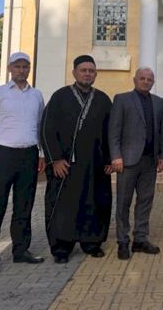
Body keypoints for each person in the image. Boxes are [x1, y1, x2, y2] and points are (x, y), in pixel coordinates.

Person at [40, 55, 113, 263]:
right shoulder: (60, 97)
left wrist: (109, 159)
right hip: (66, 165)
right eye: (83, 70)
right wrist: (55, 159)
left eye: (91, 71)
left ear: (95, 74)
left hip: (95, 164)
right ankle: (61, 247)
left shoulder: (103, 100)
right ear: (74, 73)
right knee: (64, 206)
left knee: (95, 202)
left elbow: (111, 132)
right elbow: (46, 129)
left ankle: (92, 242)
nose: (87, 74)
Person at [0, 51, 45, 278]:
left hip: (29, 154)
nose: (22, 70)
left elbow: (40, 126)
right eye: (17, 66)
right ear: (9, 68)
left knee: (24, 206)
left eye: (25, 66)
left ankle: (21, 250)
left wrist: (41, 153)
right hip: (4, 155)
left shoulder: (36, 95)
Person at [109, 67, 163, 260]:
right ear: (135, 80)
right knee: (123, 202)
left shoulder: (158, 102)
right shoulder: (122, 99)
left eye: (149, 79)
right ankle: (122, 241)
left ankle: (140, 239)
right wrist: (116, 156)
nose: (146, 81)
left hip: (149, 161)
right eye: (142, 78)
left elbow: (162, 131)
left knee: (145, 201)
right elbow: (114, 131)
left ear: (153, 82)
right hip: (127, 161)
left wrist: (162, 155)